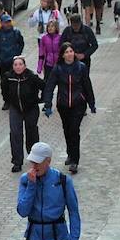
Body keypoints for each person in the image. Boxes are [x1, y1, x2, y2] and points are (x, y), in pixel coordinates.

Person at [42, 43, 96, 174]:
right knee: (67, 129)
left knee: (74, 130)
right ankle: (70, 153)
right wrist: (47, 104)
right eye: (66, 52)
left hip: (78, 104)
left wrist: (91, 103)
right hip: (63, 104)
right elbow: (49, 87)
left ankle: (75, 161)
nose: (69, 54)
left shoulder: (81, 67)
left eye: (71, 51)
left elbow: (87, 85)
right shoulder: (58, 69)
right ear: (62, 55)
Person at [1, 57, 44, 173]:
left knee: (32, 132)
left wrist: (41, 99)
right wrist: (8, 100)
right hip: (15, 108)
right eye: (15, 65)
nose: (18, 67)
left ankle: (34, 157)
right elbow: (4, 90)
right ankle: (17, 161)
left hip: (31, 108)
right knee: (15, 133)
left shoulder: (31, 76)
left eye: (20, 64)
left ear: (24, 66)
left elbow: (43, 85)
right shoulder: (8, 77)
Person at [0, 12, 25, 78]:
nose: (8, 24)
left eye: (9, 22)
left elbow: (21, 44)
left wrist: (17, 54)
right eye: (6, 22)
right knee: (4, 80)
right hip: (2, 61)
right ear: (1, 23)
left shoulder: (16, 32)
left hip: (13, 61)